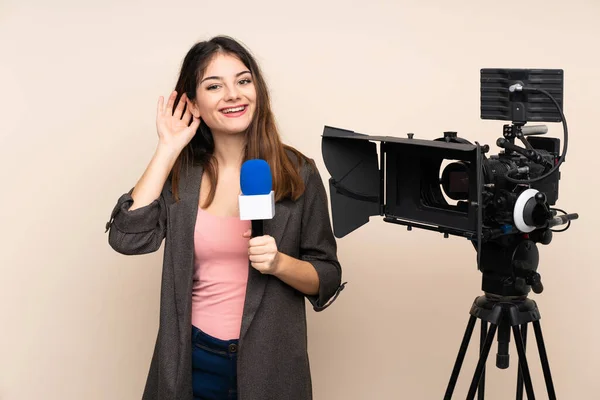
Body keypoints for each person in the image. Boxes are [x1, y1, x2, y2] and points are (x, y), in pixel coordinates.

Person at [105, 35, 345, 400]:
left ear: (257, 91)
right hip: (192, 360)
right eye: (214, 86)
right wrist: (168, 148)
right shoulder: (181, 175)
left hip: (270, 365)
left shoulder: (299, 172)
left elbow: (327, 276)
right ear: (194, 102)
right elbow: (127, 238)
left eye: (243, 81)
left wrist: (280, 263)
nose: (233, 94)